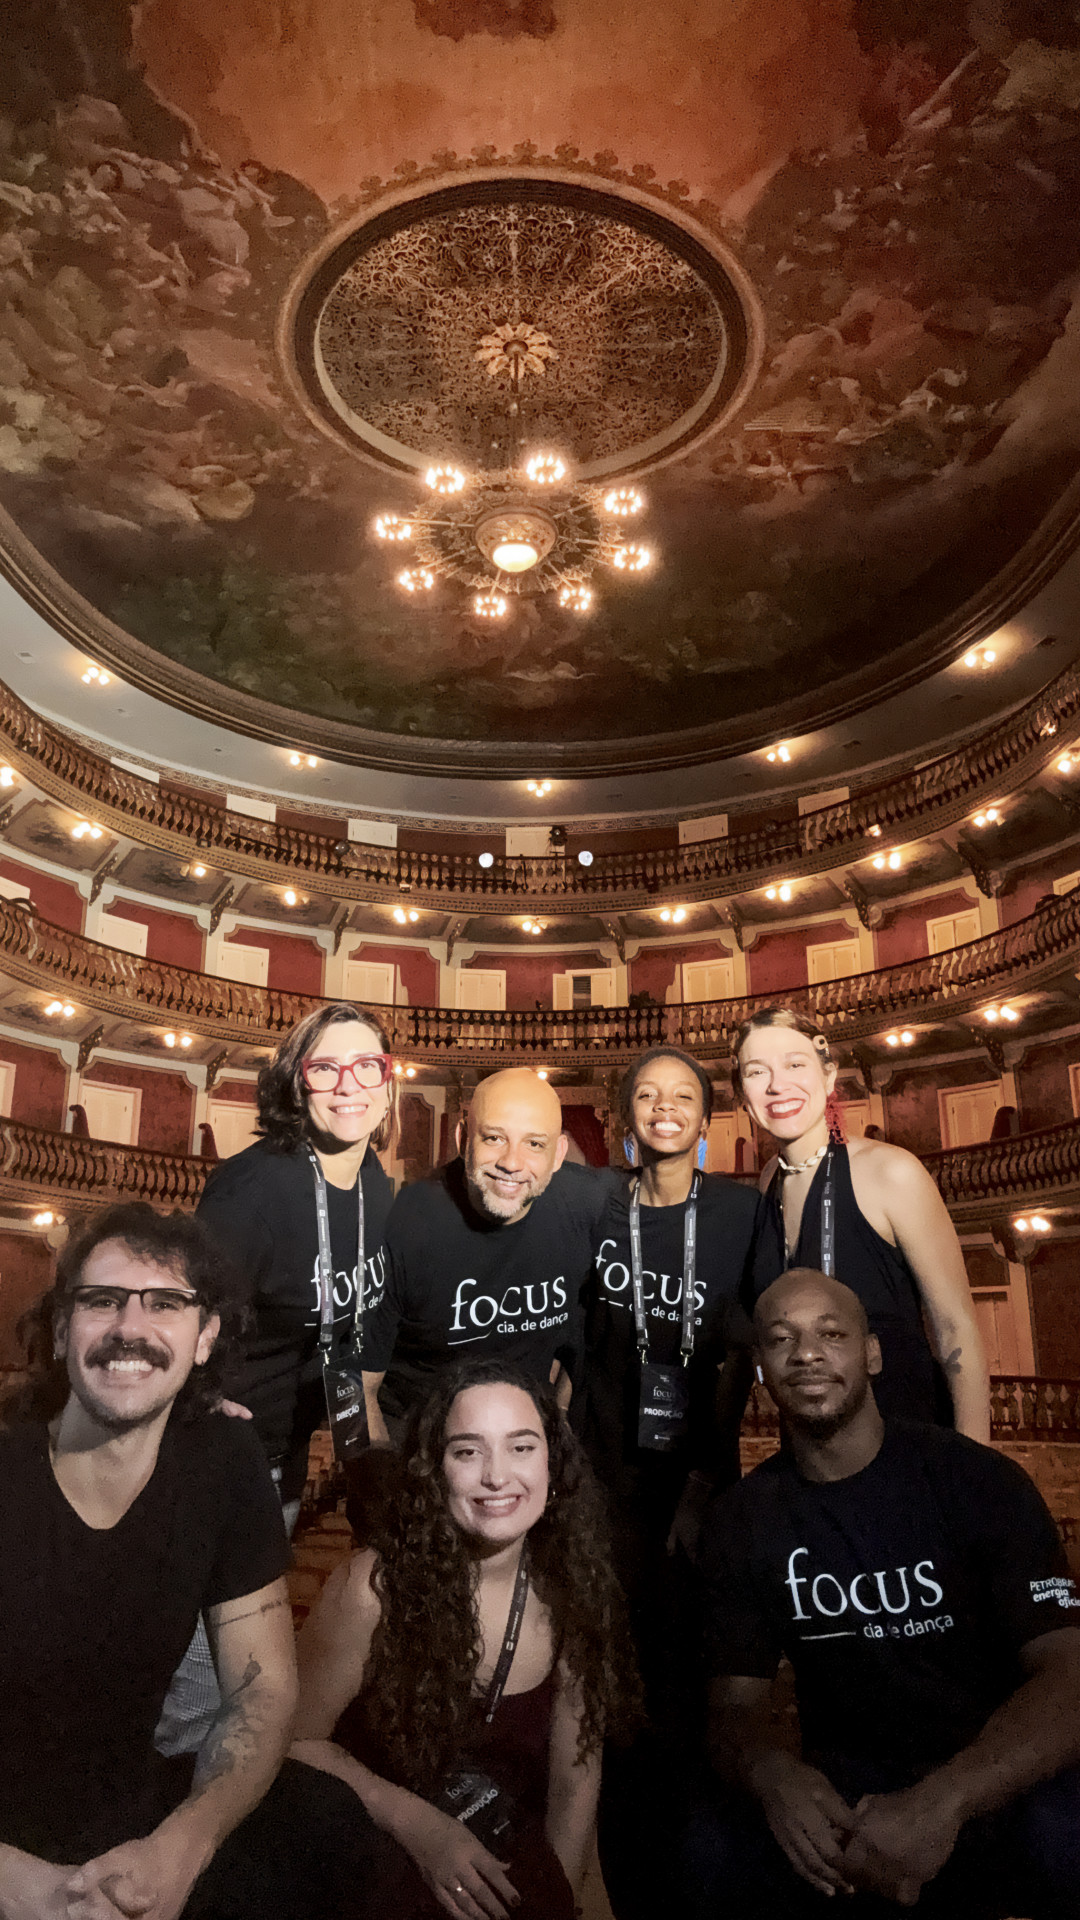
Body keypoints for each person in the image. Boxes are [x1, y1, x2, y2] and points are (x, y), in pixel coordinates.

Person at [684, 1268, 1080, 1919]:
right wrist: (770, 1772)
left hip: (994, 1769)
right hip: (855, 1786)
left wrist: (945, 1801)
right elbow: (734, 1703)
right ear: (761, 1369)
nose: (807, 1354)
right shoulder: (745, 1520)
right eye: (781, 1339)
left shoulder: (978, 1483)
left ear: (872, 1354)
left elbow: (1068, 1675)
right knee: (712, 1849)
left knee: (1062, 1836)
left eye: (831, 1334)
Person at [0, 1202, 345, 1920]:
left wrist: (182, 1848)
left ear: (205, 1337)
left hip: (125, 1831)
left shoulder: (222, 1460)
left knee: (327, 1822)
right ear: (61, 1329)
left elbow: (262, 1690)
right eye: (102, 1301)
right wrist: (27, 1892)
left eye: (165, 1304)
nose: (131, 1327)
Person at [291, 1357, 641, 1920]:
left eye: (521, 1447)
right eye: (468, 1452)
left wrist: (559, 1905)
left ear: (553, 1464)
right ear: (434, 1470)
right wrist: (419, 1826)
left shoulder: (575, 1592)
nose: (497, 1476)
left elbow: (574, 1785)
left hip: (501, 1864)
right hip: (370, 1858)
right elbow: (293, 1743)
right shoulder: (372, 1590)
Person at [582, 1047, 758, 1920]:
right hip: (601, 1479)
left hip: (693, 1481)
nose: (664, 1107)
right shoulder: (595, 1206)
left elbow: (739, 1360)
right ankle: (601, 1862)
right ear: (626, 1115)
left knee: (683, 1680)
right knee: (604, 1671)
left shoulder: (738, 1212)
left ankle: (683, 1874)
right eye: (647, 1094)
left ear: (705, 1115)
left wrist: (701, 1484)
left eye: (682, 1094)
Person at [734, 1006, 989, 1439]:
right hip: (811, 1453)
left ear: (829, 1076)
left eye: (795, 1064)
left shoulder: (892, 1172)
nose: (777, 1084)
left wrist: (975, 1467)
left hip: (907, 1445)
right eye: (757, 1072)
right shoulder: (769, 1180)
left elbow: (955, 1329)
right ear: (743, 1092)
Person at [197, 999, 396, 1518]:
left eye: (367, 1066)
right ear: (295, 1083)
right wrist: (197, 1401)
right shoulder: (250, 1194)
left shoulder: (373, 1178)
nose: (349, 1086)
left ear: (387, 1084)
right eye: (325, 1069)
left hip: (292, 1454)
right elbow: (179, 1311)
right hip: (223, 1458)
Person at [361, 1068, 617, 1441]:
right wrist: (378, 1472)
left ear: (559, 1154)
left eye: (535, 1144)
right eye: (494, 1138)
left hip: (524, 1439)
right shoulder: (405, 1225)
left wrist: (561, 1411)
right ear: (462, 1138)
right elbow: (358, 1384)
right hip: (421, 1442)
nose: (512, 1163)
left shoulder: (586, 1206)